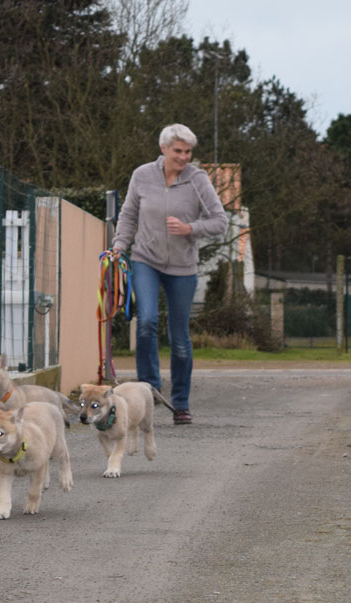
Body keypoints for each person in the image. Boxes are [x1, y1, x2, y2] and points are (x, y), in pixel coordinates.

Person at [112, 124, 228, 424]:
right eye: (178, 151)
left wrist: (191, 228)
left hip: (183, 267)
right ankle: (150, 388)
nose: (184, 157)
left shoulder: (197, 180)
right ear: (163, 148)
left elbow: (220, 221)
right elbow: (128, 215)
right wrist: (119, 246)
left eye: (188, 152)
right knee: (147, 321)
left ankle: (181, 403)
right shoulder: (142, 175)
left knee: (179, 337)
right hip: (145, 260)